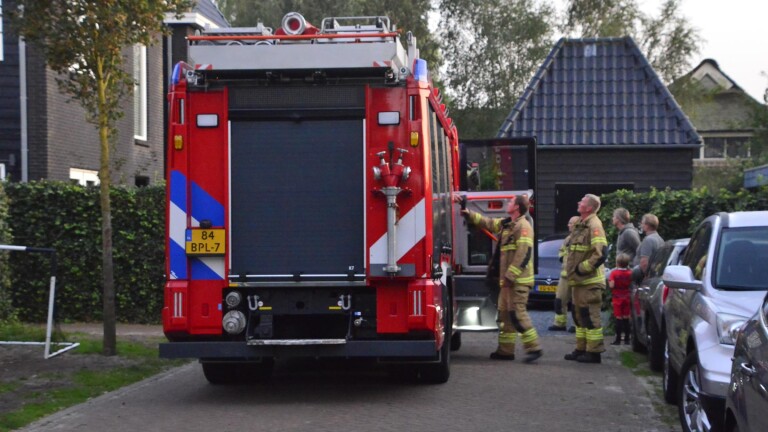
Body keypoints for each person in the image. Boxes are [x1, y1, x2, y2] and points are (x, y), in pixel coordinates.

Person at [459, 194, 542, 363]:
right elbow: (489, 223)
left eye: (511, 201)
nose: (508, 203)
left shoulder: (523, 226)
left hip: (518, 281)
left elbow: (524, 254)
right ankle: (505, 351)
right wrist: (469, 214)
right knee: (504, 316)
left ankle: (534, 348)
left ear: (517, 207)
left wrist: (510, 275)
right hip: (507, 282)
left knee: (517, 314)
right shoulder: (508, 224)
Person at [564, 194, 608, 364]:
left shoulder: (594, 225)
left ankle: (594, 352)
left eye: (581, 201)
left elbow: (601, 253)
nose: (578, 202)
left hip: (589, 282)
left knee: (590, 316)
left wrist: (582, 269)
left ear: (589, 208)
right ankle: (581, 348)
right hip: (579, 282)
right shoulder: (581, 225)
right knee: (579, 316)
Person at [548, 215, 580, 332]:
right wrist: (562, 258)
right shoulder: (568, 239)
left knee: (577, 302)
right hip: (565, 275)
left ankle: (577, 325)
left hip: (576, 275)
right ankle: (560, 323)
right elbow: (561, 251)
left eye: (570, 223)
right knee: (559, 300)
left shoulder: (582, 238)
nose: (568, 225)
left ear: (577, 225)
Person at [608, 253, 633, 345]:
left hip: (617, 297)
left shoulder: (614, 273)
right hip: (627, 296)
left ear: (617, 263)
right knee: (626, 318)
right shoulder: (630, 273)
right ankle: (627, 339)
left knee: (618, 318)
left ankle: (618, 340)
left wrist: (610, 282)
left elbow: (612, 285)